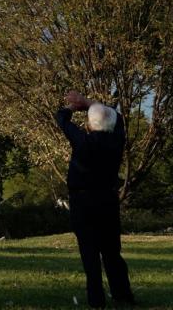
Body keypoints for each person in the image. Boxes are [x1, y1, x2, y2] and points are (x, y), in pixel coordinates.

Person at [56, 90, 134, 308]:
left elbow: (61, 118)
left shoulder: (83, 141)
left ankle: (96, 298)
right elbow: (118, 118)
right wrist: (88, 103)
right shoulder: (116, 140)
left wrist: (75, 106)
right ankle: (122, 293)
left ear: (90, 125)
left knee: (89, 251)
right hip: (108, 199)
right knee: (112, 251)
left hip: (82, 201)